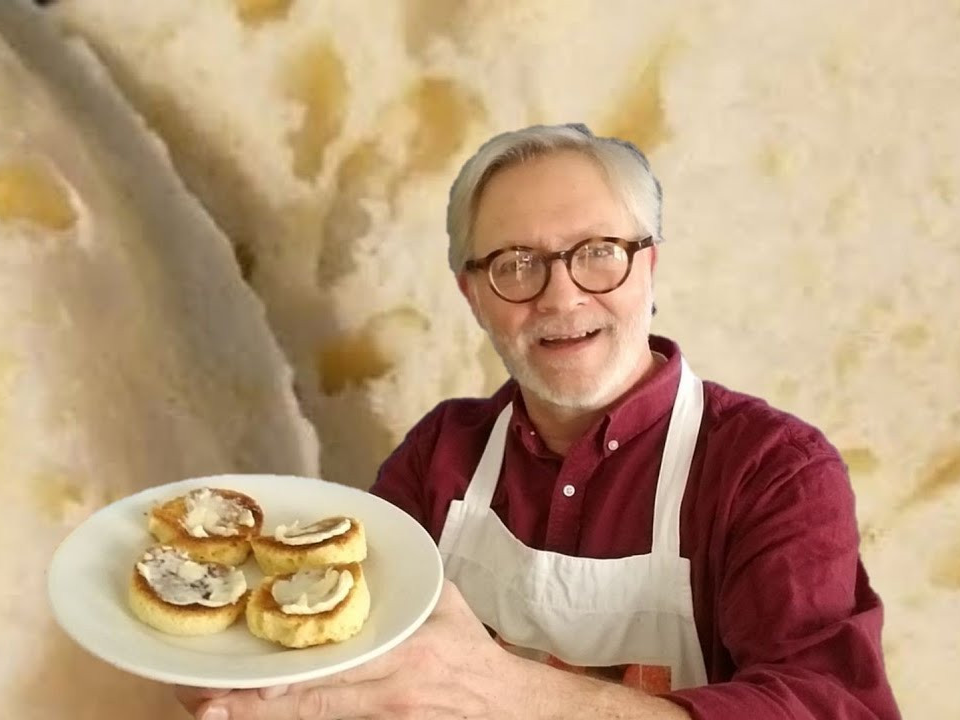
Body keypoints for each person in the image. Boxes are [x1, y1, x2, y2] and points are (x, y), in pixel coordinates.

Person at [178, 123, 902, 719]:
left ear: (650, 267)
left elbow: (830, 707)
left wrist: (510, 694)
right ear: (472, 295)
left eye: (596, 255)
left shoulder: (769, 468)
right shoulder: (440, 457)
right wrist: (256, 683)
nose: (561, 298)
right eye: (516, 265)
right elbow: (360, 657)